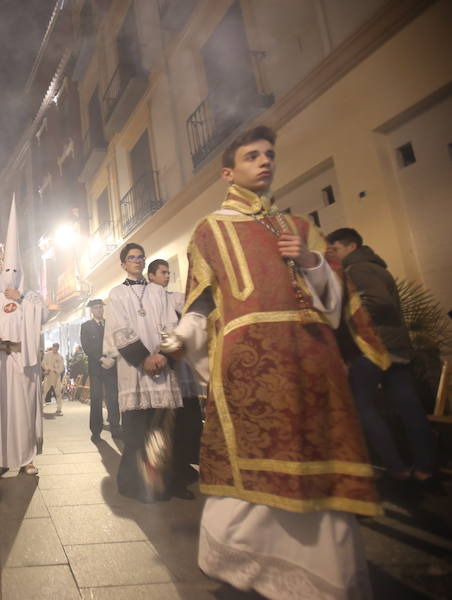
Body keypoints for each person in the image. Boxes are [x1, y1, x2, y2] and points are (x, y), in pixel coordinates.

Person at [161, 126, 382, 598]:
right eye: (251, 156)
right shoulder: (210, 230)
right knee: (256, 460)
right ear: (229, 172)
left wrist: (311, 261)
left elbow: (336, 301)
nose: (264, 162)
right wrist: (182, 334)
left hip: (313, 360)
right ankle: (246, 562)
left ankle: (326, 577)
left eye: (268, 155)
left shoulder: (300, 227)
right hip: (253, 365)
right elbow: (202, 299)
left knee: (318, 460)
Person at [326, 227, 435, 485]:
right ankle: (425, 468)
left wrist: (350, 318)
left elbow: (379, 302)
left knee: (362, 406)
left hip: (373, 346)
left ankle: (395, 467)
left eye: (336, 249)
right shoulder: (376, 266)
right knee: (409, 406)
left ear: (351, 247)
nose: (334, 255)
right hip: (395, 346)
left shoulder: (358, 269)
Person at [104, 244, 185, 502]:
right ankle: (134, 484)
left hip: (161, 368)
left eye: (141, 257)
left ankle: (165, 483)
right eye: (132, 258)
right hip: (135, 370)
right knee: (137, 430)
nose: (137, 261)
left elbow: (172, 324)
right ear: (123, 264)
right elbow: (119, 329)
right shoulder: (116, 295)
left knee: (162, 428)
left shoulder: (158, 292)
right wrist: (144, 359)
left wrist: (163, 355)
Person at [0, 199, 45, 476]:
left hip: (22, 361)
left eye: (16, 271)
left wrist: (23, 298)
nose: (11, 276)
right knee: (0, 410)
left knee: (24, 410)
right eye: (7, 271)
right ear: (1, 272)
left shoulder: (32, 296)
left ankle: (27, 459)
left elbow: (42, 317)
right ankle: (1, 458)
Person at [147, 259, 204, 489]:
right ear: (150, 276)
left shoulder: (177, 297)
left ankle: (187, 465)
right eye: (162, 273)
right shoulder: (149, 301)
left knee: (190, 419)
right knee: (172, 423)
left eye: (168, 272)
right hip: (165, 365)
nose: (167, 276)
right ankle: (172, 472)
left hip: (183, 365)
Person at [80, 299, 120, 441]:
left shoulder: (110, 324)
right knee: (96, 398)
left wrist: (113, 358)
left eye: (100, 307)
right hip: (96, 367)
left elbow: (116, 342)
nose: (99, 310)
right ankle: (96, 430)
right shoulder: (86, 326)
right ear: (92, 310)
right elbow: (86, 346)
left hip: (111, 366)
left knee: (113, 397)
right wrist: (100, 358)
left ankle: (115, 427)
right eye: (96, 308)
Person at [41, 343, 65, 415]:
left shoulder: (60, 357)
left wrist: (57, 371)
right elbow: (43, 363)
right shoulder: (47, 355)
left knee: (58, 393)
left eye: (57, 348)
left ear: (58, 348)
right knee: (44, 392)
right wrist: (47, 368)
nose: (55, 349)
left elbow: (62, 367)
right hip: (48, 375)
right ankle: (41, 408)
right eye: (54, 347)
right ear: (52, 347)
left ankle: (59, 409)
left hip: (56, 376)